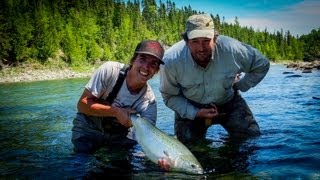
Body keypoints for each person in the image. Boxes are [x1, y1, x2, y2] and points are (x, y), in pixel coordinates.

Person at [159, 14, 270, 145]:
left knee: (251, 140)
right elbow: (169, 96)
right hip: (191, 107)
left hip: (229, 103)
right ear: (186, 41)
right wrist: (195, 113)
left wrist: (241, 85)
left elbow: (262, 64)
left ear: (215, 38)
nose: (201, 48)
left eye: (206, 40)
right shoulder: (170, 61)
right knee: (188, 151)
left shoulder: (233, 49)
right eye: (195, 41)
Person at [71, 40, 165, 154]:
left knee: (120, 170)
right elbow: (82, 105)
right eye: (143, 59)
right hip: (87, 128)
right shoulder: (109, 70)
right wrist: (116, 112)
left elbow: (149, 139)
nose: (146, 67)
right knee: (79, 165)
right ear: (133, 60)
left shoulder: (149, 102)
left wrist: (161, 157)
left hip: (118, 137)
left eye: (153, 64)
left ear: (156, 71)